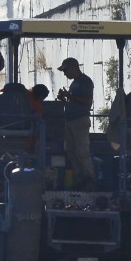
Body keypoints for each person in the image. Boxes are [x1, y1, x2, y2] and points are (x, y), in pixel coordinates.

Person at [55, 57, 96, 189]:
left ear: (74, 68)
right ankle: (80, 180)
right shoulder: (74, 83)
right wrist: (64, 99)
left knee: (82, 151)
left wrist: (69, 96)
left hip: (80, 121)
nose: (64, 73)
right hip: (70, 121)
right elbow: (73, 103)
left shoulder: (85, 81)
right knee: (71, 152)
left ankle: (90, 180)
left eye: (65, 70)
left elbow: (87, 102)